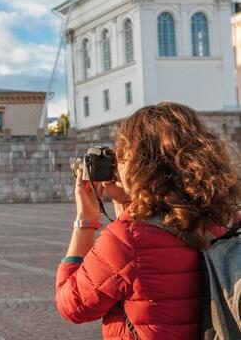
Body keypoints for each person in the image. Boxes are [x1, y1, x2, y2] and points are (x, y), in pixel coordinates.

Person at [56, 102, 241, 339]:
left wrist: (85, 220)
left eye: (122, 153)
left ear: (138, 164)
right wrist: (130, 206)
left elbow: (72, 306)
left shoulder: (127, 240)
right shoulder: (228, 219)